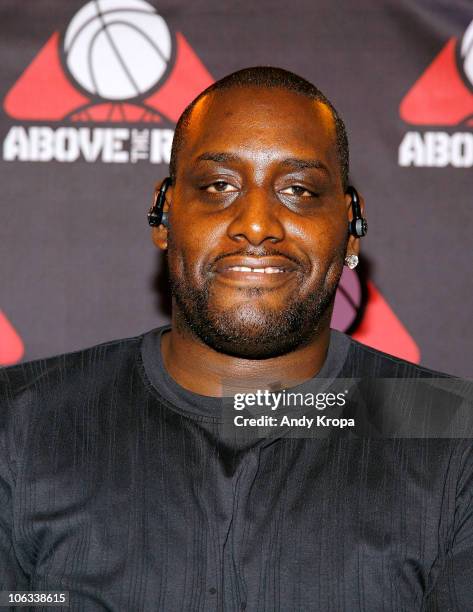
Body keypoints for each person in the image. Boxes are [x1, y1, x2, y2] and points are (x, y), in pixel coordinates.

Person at [0, 67, 472, 612]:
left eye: (298, 190)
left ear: (350, 224)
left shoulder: (452, 429)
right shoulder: (21, 421)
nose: (255, 224)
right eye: (219, 186)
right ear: (164, 212)